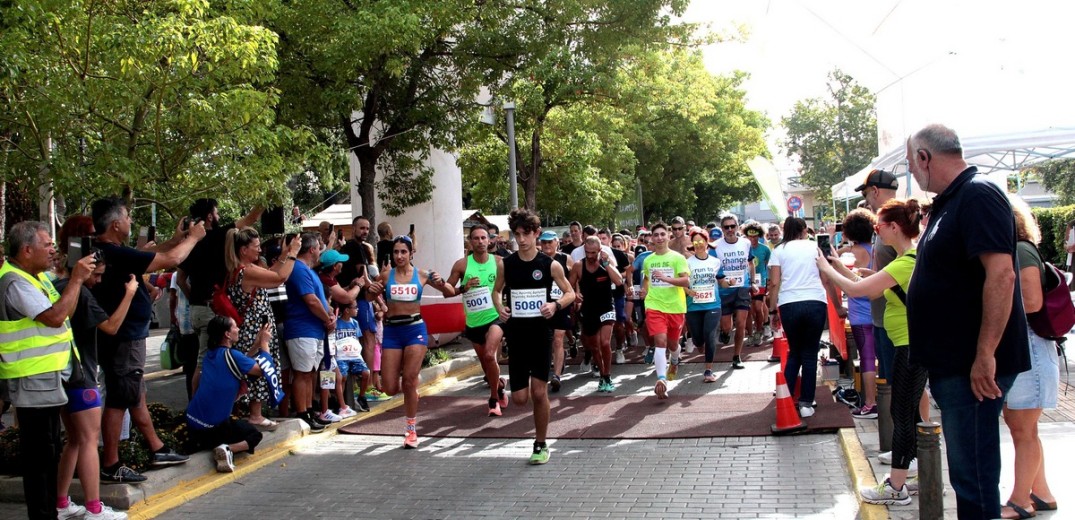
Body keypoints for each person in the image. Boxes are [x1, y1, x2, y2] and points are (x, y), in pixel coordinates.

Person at [905, 124, 1030, 520]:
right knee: (968, 474)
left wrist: (985, 353)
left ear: (925, 157)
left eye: (912, 164)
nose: (913, 173)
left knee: (973, 475)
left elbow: (1003, 275)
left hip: (971, 366)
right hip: (955, 364)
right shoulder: (951, 201)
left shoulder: (977, 194)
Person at [816, 199, 926, 506]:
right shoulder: (906, 259)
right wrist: (838, 266)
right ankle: (919, 476)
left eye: (878, 227)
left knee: (902, 414)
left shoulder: (907, 261)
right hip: (907, 342)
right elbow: (871, 285)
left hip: (908, 345)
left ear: (894, 227)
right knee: (910, 413)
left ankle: (896, 486)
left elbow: (859, 291)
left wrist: (827, 268)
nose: (875, 232)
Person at [91, 198, 202, 483]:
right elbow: (172, 259)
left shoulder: (111, 251)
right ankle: (112, 463)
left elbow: (150, 254)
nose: (130, 222)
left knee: (134, 393)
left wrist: (177, 238)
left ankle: (157, 448)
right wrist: (192, 239)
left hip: (130, 336)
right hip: (124, 338)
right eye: (128, 217)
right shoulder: (112, 253)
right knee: (120, 397)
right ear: (115, 224)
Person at [0, 221, 95, 520]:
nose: (53, 249)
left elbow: (63, 312)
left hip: (46, 381)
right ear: (27, 250)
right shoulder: (16, 281)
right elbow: (55, 317)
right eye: (47, 244)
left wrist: (76, 280)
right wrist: (76, 279)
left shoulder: (34, 277)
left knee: (49, 452)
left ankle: (47, 513)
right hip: (32, 382)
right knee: (40, 458)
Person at [54, 216, 139, 520]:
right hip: (83, 375)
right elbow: (112, 326)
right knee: (89, 440)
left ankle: (61, 503)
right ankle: (93, 508)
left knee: (74, 440)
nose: (98, 280)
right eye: (98, 274)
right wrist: (130, 293)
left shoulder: (56, 285)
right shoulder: (81, 291)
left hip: (62, 373)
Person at [494, 209, 575, 464]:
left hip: (541, 334)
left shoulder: (549, 264)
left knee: (539, 393)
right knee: (520, 399)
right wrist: (500, 307)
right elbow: (496, 292)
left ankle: (540, 444)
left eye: (526, 234)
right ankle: (513, 391)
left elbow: (570, 293)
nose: (522, 239)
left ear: (536, 234)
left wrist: (556, 306)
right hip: (516, 335)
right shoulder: (506, 264)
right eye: (517, 234)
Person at [1000, 195, 1058, 519]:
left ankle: (1020, 500)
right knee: (1023, 427)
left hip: (1031, 346)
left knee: (1022, 428)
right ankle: (1041, 492)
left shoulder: (1020, 250)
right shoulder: (1019, 249)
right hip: (1028, 347)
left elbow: (1032, 301)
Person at [366, 235, 453, 448]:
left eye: (403, 252)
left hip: (415, 330)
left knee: (409, 379)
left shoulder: (423, 274)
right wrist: (372, 291)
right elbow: (368, 298)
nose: (399, 256)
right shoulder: (386, 276)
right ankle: (412, 387)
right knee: (388, 388)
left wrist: (442, 283)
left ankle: (411, 429)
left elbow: (449, 292)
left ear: (411, 253)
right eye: (396, 252)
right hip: (393, 332)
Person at [175, 199, 263, 392]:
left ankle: (206, 404)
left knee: (204, 359)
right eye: (217, 213)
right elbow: (251, 218)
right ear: (209, 216)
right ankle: (198, 408)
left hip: (197, 310)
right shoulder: (216, 236)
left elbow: (181, 279)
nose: (219, 217)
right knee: (203, 362)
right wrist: (267, 198)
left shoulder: (189, 243)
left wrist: (195, 300)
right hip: (208, 310)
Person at [223, 228, 301, 429]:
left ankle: (244, 413)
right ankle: (255, 414)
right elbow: (279, 278)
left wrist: (283, 255)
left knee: (253, 368)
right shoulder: (246, 271)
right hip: (253, 332)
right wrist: (292, 254)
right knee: (257, 369)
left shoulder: (241, 269)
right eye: (256, 247)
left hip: (251, 329)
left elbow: (271, 273)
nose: (260, 251)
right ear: (243, 250)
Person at [767, 217, 836, 418]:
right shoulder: (815, 248)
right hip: (815, 301)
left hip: (789, 303)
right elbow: (826, 278)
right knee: (809, 354)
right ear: (805, 230)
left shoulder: (778, 250)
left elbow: (774, 283)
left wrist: (772, 311)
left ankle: (786, 398)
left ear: (785, 230)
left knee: (795, 351)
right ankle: (806, 402)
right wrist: (838, 306)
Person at [185, 316, 271, 473]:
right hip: (213, 429)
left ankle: (217, 445)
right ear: (227, 334)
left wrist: (257, 344)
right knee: (254, 435)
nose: (238, 329)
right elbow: (262, 370)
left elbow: (240, 360)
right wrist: (264, 344)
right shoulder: (232, 356)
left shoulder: (210, 355)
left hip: (192, 423)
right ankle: (227, 449)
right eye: (235, 327)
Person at [444, 225, 508, 414]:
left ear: (490, 240)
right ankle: (499, 387)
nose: (480, 242)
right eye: (476, 238)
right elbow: (448, 291)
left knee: (490, 355)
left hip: (495, 317)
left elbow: (516, 283)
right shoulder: (462, 265)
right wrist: (463, 288)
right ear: (470, 242)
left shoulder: (499, 262)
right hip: (473, 322)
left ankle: (493, 399)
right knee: (486, 366)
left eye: (483, 238)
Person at [283, 233, 333, 433]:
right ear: (312, 249)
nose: (321, 250)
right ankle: (303, 413)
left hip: (314, 330)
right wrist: (327, 319)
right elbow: (311, 300)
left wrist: (329, 316)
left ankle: (310, 410)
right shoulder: (298, 269)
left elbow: (320, 300)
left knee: (310, 373)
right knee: (302, 374)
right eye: (319, 247)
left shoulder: (309, 271)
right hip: (302, 329)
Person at [834, 208, 880, 419]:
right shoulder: (875, 249)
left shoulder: (854, 253)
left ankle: (870, 403)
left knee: (867, 359)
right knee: (880, 359)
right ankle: (881, 399)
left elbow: (849, 277)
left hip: (860, 314)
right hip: (878, 312)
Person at [640, 222, 690, 398]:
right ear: (651, 238)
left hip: (675, 306)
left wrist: (667, 279)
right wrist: (644, 290)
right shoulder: (648, 260)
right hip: (654, 305)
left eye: (662, 234)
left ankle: (675, 358)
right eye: (656, 235)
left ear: (668, 236)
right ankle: (661, 379)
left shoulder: (678, 258)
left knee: (672, 344)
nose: (659, 238)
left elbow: (685, 282)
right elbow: (646, 279)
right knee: (659, 341)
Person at [569, 237, 622, 392]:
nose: (590, 255)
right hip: (588, 310)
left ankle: (607, 375)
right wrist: (574, 295)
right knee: (594, 346)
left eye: (593, 252)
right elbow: (568, 286)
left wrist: (606, 264)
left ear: (600, 251)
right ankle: (601, 374)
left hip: (606, 307)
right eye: (587, 252)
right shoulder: (579, 266)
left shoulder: (606, 263)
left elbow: (619, 281)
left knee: (605, 342)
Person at [684, 228, 727, 383]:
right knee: (698, 339)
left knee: (709, 335)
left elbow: (722, 281)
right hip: (693, 306)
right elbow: (682, 283)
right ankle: (698, 343)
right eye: (695, 242)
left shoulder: (715, 262)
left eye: (701, 241)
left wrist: (728, 283)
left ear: (706, 242)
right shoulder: (687, 262)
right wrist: (687, 291)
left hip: (712, 305)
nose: (698, 244)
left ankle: (708, 370)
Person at [712, 214, 755, 370]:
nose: (730, 230)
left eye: (733, 226)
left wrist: (753, 281)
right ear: (722, 229)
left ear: (738, 226)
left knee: (741, 323)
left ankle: (737, 356)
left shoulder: (745, 243)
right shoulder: (715, 246)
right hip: (724, 290)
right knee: (726, 326)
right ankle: (725, 332)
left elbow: (750, 263)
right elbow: (712, 267)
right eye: (726, 227)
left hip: (742, 288)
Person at [538, 231, 574, 391]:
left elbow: (573, 279)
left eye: (550, 242)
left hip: (562, 303)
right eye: (544, 242)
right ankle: (549, 364)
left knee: (558, 339)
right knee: (545, 339)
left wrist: (576, 295)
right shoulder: (537, 259)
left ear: (556, 243)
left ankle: (557, 376)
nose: (546, 245)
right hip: (542, 304)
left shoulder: (566, 258)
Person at [742, 221, 771, 346]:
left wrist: (769, 281)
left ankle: (759, 331)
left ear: (759, 236)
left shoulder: (765, 249)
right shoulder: (743, 248)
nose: (752, 239)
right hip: (746, 281)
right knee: (750, 310)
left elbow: (769, 266)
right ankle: (751, 333)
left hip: (761, 281)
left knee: (759, 307)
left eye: (755, 236)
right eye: (750, 236)